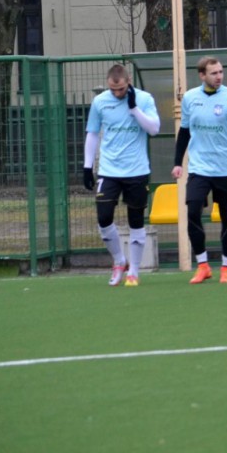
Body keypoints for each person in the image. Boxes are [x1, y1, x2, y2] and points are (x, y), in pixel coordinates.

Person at [172, 57, 227, 284]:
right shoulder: (190, 98)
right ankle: (203, 266)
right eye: (214, 73)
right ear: (202, 75)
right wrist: (177, 162)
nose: (219, 76)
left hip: (226, 169)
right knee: (193, 211)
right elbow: (184, 132)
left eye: (221, 72)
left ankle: (226, 268)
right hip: (199, 168)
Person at [83, 64, 161, 287]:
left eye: (121, 89)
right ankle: (119, 260)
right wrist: (87, 166)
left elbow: (154, 129)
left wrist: (134, 109)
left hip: (137, 170)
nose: (117, 93)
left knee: (136, 221)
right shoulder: (100, 102)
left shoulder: (144, 99)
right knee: (103, 217)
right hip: (109, 170)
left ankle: (134, 270)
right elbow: (92, 133)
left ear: (129, 82)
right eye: (113, 89)